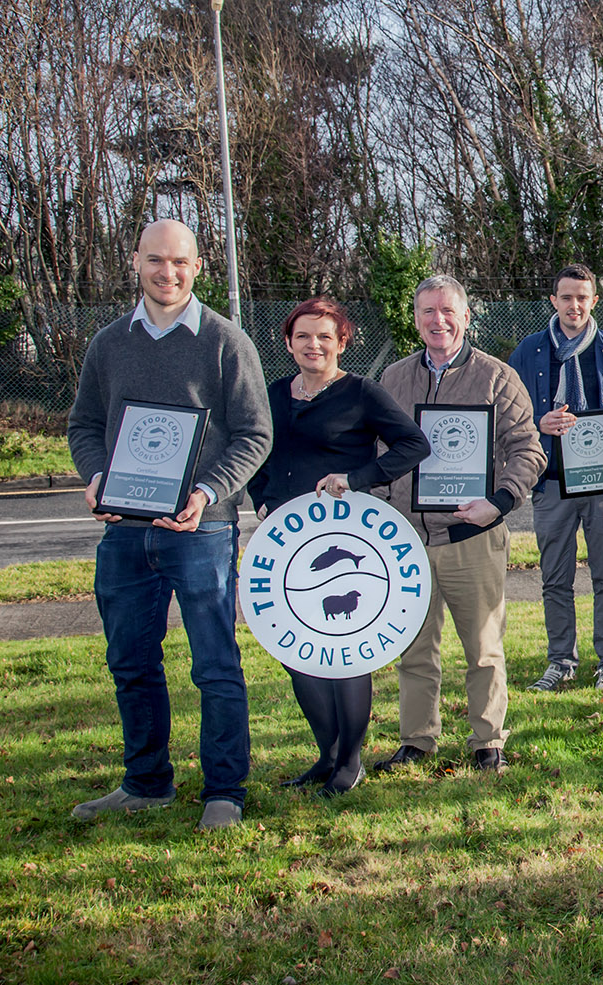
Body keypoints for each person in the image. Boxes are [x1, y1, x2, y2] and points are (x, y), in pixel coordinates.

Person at [65, 218, 272, 829]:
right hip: (125, 530)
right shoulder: (108, 343)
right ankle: (146, 782)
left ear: (198, 265)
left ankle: (224, 792)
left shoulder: (224, 341)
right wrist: (97, 475)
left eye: (179, 261)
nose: (167, 272)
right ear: (135, 262)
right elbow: (83, 426)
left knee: (214, 664)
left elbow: (255, 434)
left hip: (201, 532)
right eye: (155, 260)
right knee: (130, 661)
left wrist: (208, 492)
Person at [247, 298, 430, 795]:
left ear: (341, 341)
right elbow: (257, 450)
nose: (314, 345)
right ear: (288, 342)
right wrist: (262, 498)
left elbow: (415, 445)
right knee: (297, 650)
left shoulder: (362, 393)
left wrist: (356, 479)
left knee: (345, 652)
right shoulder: (273, 394)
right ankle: (325, 756)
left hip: (345, 536)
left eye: (325, 336)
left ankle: (351, 762)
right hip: (286, 540)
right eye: (304, 336)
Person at [374, 275, 545, 774]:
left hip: (473, 533)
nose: (438, 321)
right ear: (416, 319)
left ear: (466, 316)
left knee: (484, 648)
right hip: (406, 537)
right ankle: (416, 739)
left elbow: (527, 450)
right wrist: (383, 505)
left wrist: (498, 502)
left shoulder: (497, 377)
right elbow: (380, 451)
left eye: (447, 311)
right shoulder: (395, 378)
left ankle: (488, 741)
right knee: (414, 648)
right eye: (427, 312)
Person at [509, 264, 603, 692]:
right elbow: (509, 417)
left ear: (594, 301)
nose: (574, 305)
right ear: (553, 301)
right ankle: (561, 661)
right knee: (555, 577)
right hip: (551, 483)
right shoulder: (530, 351)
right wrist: (539, 422)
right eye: (566, 297)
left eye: (582, 297)